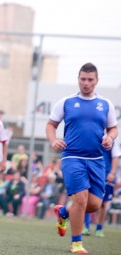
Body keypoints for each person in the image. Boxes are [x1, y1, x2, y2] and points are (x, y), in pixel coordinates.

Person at [46, 62, 117, 254]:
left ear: (96, 81)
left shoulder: (105, 104)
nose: (86, 83)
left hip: (96, 160)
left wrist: (110, 137)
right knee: (80, 199)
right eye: (82, 79)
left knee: (93, 205)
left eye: (90, 80)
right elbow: (51, 124)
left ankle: (63, 212)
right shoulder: (66, 102)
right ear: (78, 79)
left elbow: (113, 128)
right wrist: (53, 141)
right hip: (72, 158)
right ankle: (76, 243)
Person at [82, 139, 120, 237]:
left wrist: (112, 173)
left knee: (103, 203)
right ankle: (86, 227)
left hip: (106, 175)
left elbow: (115, 157)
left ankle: (99, 228)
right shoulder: (92, 136)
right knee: (86, 200)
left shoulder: (112, 141)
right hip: (91, 173)